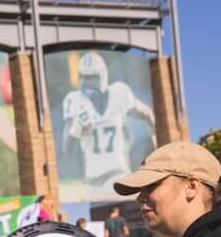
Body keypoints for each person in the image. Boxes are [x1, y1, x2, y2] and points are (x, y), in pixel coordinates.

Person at [62, 50, 156, 196]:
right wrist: (76, 128)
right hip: (92, 182)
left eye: (92, 77)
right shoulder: (74, 100)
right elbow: (67, 148)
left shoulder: (119, 93)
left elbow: (147, 114)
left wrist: (155, 139)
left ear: (103, 76)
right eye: (84, 77)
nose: (88, 83)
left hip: (118, 174)